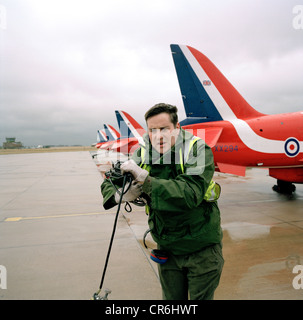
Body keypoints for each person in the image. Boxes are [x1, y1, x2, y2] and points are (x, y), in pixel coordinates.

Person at [101, 103, 224, 300]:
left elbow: (190, 193)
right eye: (152, 130)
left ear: (176, 127)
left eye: (164, 129)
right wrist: (120, 195)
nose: (158, 136)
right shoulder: (143, 153)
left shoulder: (197, 150)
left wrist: (145, 180)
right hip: (167, 247)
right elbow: (110, 179)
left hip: (201, 249)